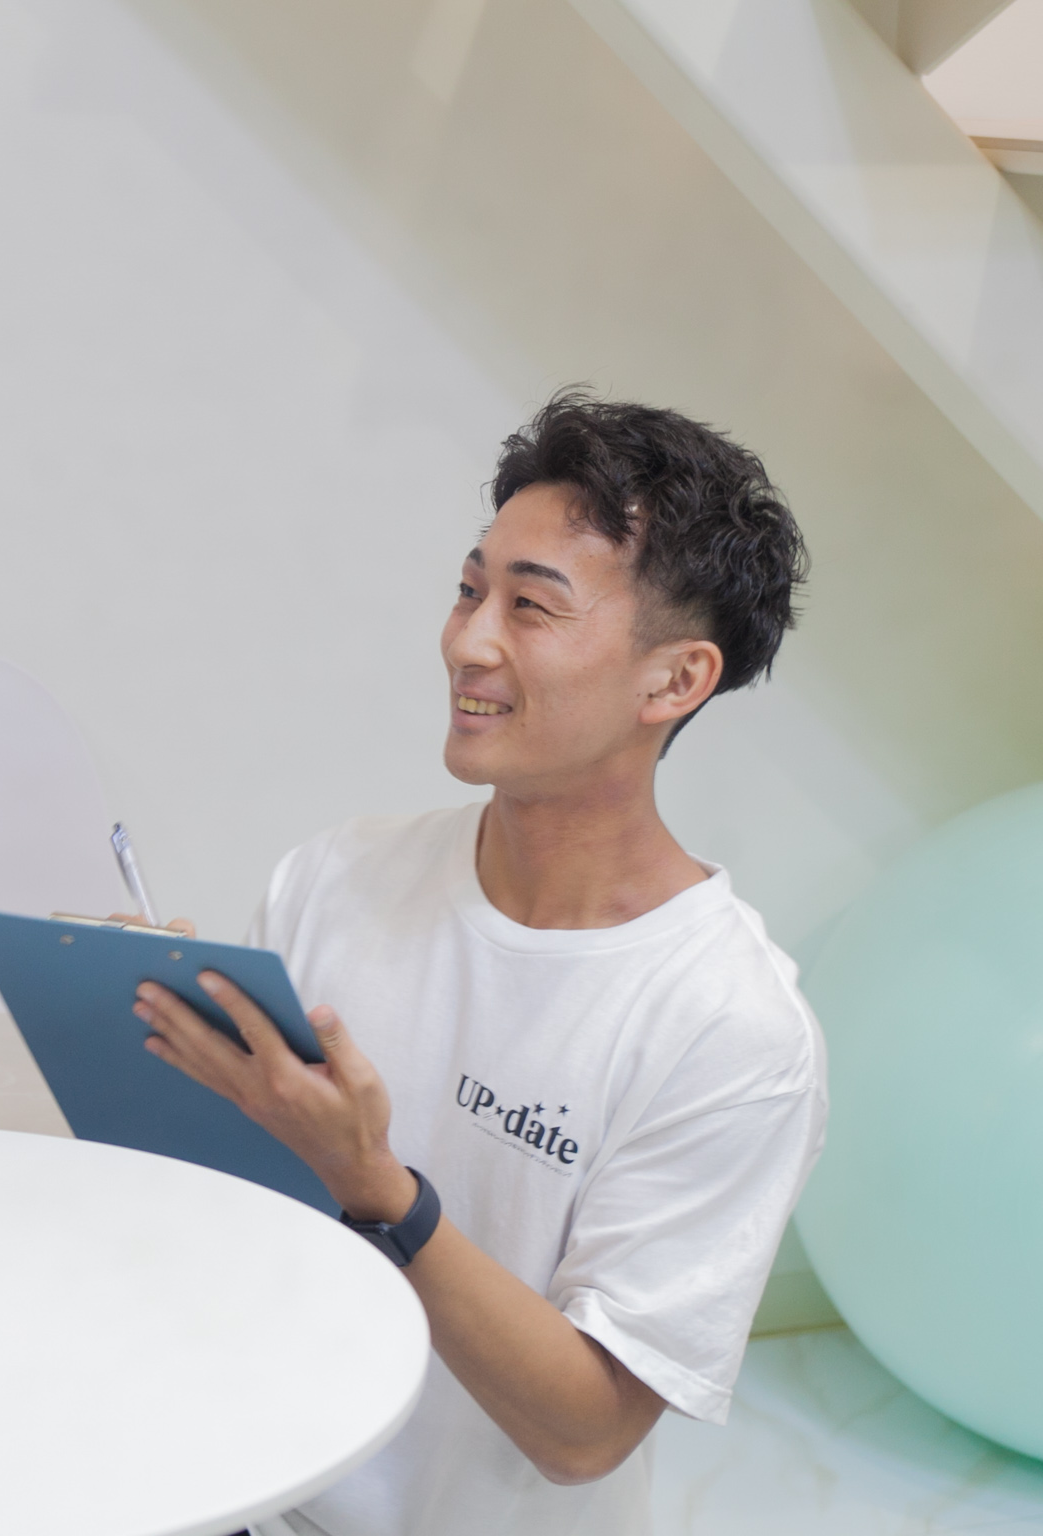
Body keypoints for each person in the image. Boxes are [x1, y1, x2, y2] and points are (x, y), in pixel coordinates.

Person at [133, 394, 825, 1536]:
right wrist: (145, 1023)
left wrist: (381, 1194)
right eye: (467, 590)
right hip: (257, 1498)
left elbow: (583, 1433)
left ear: (672, 682)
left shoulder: (730, 1030)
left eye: (530, 608)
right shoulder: (333, 877)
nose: (466, 640)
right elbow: (223, 1222)